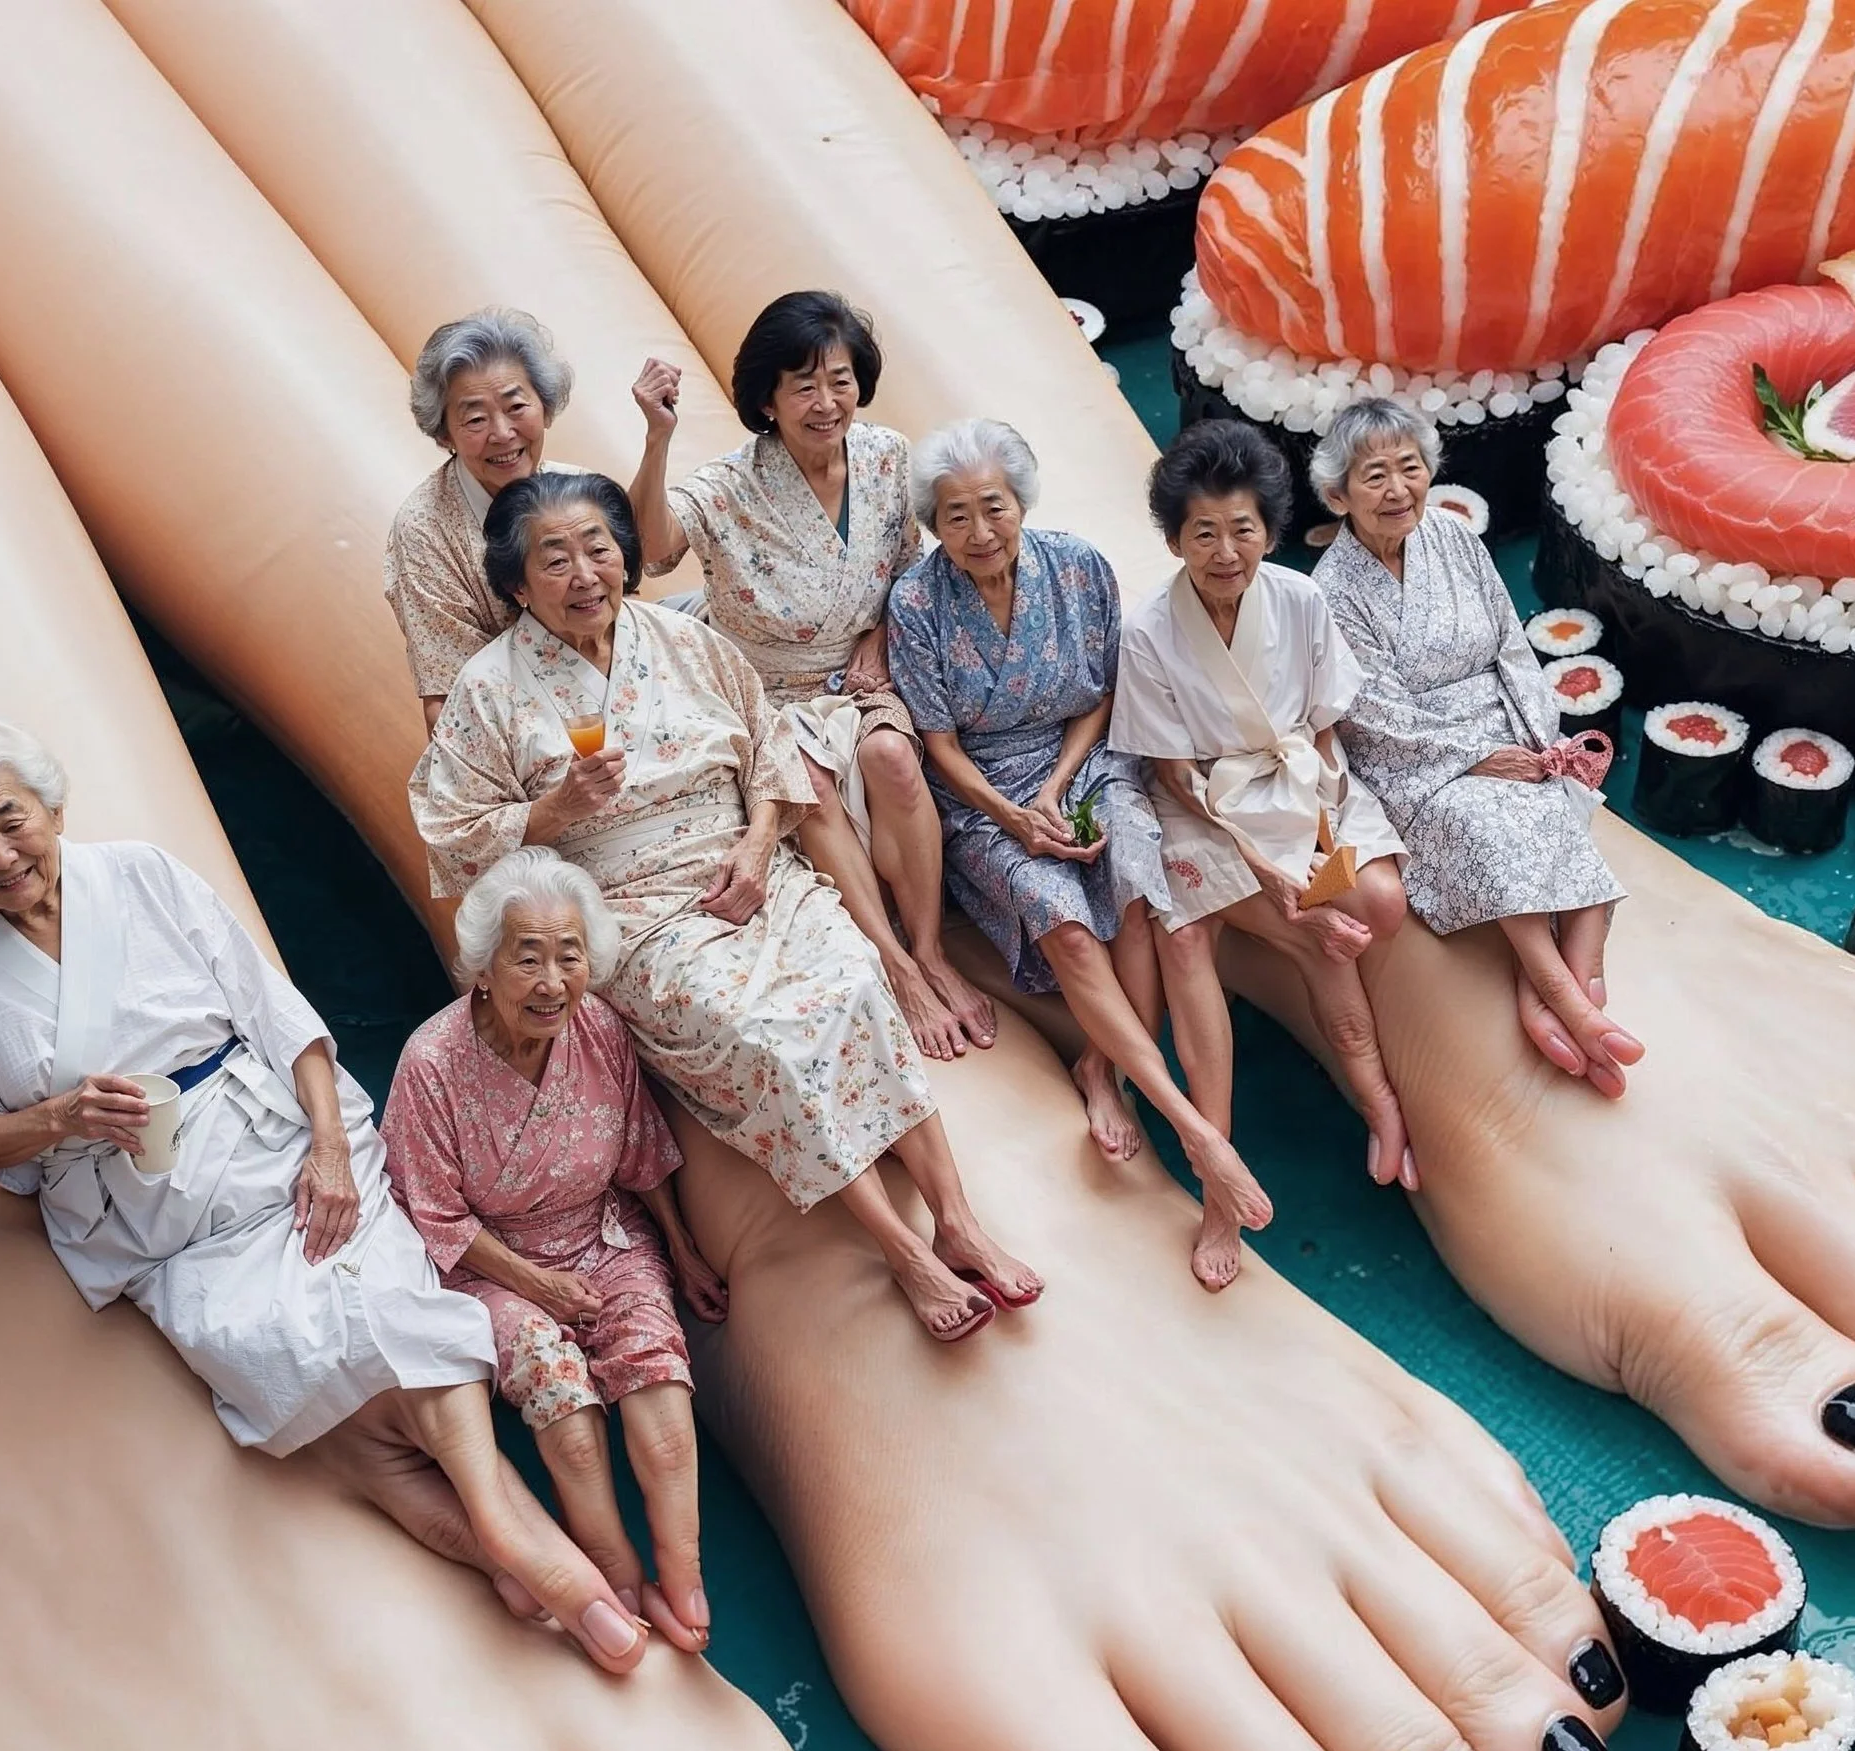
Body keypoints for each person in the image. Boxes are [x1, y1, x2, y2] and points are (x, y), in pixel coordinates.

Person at [0, 715, 654, 1670]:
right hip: (155, 1218)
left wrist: (330, 1150)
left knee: (387, 1303)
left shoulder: (141, 877)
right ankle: (518, 1549)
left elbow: (276, 1012)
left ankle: (506, 1535)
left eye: (12, 821)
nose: (1, 855)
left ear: (52, 810)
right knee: (275, 1343)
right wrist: (60, 1118)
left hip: (278, 1144)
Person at [412, 468, 1038, 1341]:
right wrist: (553, 811)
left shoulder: (682, 640)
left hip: (746, 864)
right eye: (554, 560)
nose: (584, 573)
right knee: (762, 1033)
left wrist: (758, 843)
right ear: (518, 586)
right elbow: (451, 835)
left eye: (598, 548)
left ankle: (958, 1220)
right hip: (628, 907)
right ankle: (904, 1251)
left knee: (855, 979)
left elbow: (769, 747)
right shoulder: (488, 688)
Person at [887, 417, 1276, 1272]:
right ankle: (1197, 1133)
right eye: (956, 515)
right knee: (1065, 923)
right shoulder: (915, 604)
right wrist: (1015, 814)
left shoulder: (1079, 565)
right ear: (934, 524)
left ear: (1021, 503)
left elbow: (1102, 696)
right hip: (984, 797)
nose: (979, 531)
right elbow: (939, 746)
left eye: (993, 507)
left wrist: (1057, 788)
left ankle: (1104, 1069)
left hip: (1086, 761)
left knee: (1143, 898)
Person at [639, 289, 998, 1062]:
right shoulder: (731, 484)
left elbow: (911, 568)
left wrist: (880, 634)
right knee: (808, 781)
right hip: (766, 685)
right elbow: (655, 552)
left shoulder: (887, 456)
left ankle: (931, 948)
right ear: (767, 401)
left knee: (893, 757)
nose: (827, 402)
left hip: (861, 674)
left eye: (840, 380)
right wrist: (658, 438)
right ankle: (897, 968)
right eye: (804, 385)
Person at [383, 849, 726, 1651]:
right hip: (492, 1265)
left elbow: (639, 1151)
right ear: (484, 967)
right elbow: (436, 1218)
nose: (551, 981)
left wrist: (681, 1252)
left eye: (569, 956)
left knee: (660, 1393)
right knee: (563, 1404)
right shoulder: (431, 1064)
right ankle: (613, 1571)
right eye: (527, 957)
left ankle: (685, 1579)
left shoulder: (597, 1027)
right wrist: (538, 1285)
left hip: (604, 1237)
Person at [1111, 418, 1415, 1289]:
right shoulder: (1150, 631)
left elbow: (1321, 731)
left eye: (1241, 529)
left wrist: (1319, 834)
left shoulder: (1300, 601)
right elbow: (1171, 774)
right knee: (1184, 938)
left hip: (1299, 786)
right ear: (1175, 539)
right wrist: (1263, 866)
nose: (1224, 551)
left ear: (1270, 530)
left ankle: (1378, 1099)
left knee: (1377, 905)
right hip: (1206, 807)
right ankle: (1220, 1179)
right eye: (1202, 532)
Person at [1311, 398, 1641, 1099]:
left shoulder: (1455, 538)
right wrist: (1475, 758)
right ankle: (1565, 993)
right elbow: (1370, 710)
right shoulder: (1331, 590)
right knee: (1483, 821)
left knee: (1556, 799)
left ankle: (1571, 994)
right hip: (1416, 756)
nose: (1398, 489)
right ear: (1339, 495)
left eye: (1410, 467)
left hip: (1507, 721)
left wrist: (1536, 741)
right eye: (1375, 476)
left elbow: (1511, 645)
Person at [383, 307, 687, 730]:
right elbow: (447, 698)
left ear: (545, 407)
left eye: (516, 406)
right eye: (475, 419)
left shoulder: (572, 487)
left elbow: (649, 555)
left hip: (623, 682)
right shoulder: (424, 529)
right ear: (444, 434)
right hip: (523, 719)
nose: (502, 433)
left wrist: (657, 437)